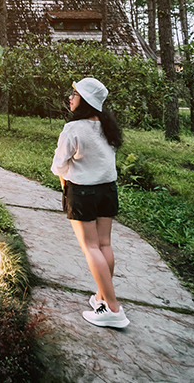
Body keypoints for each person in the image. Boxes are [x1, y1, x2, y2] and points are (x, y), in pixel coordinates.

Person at [51, 77, 129, 328]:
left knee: (91, 248)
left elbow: (59, 164)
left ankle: (114, 309)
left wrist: (64, 180)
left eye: (74, 94)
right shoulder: (107, 127)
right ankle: (101, 298)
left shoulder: (73, 129)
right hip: (108, 190)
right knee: (104, 244)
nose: (70, 98)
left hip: (83, 192)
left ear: (84, 101)